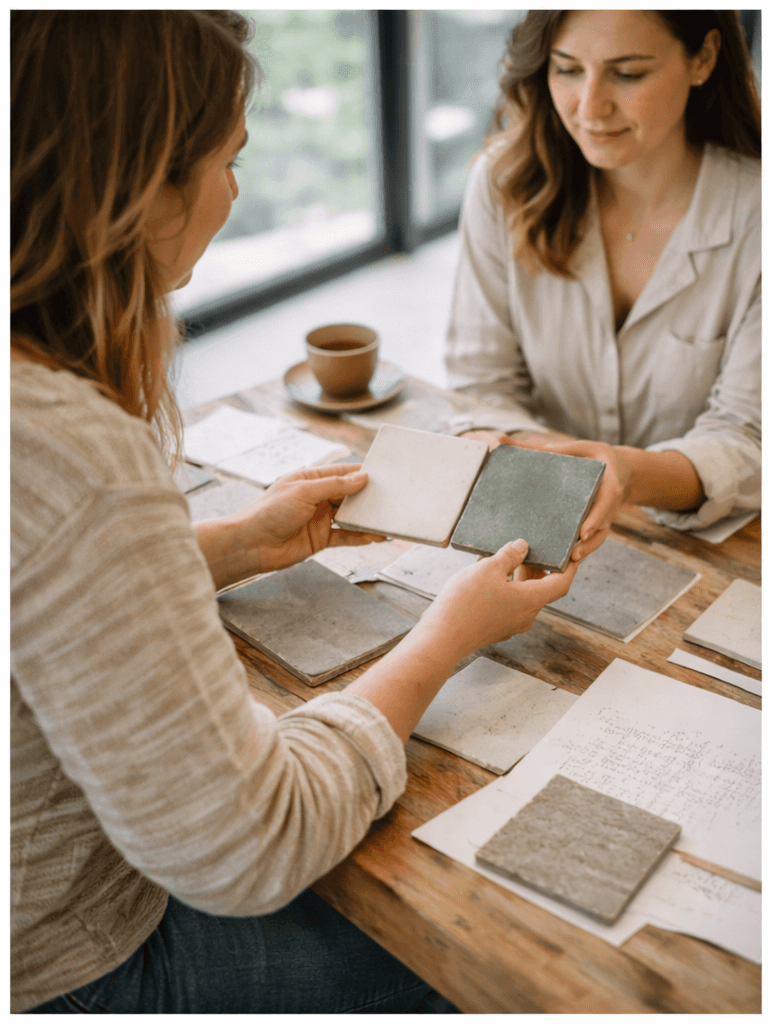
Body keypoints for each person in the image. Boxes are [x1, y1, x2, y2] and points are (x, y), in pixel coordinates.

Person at [11, 11, 578, 1013]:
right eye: (229, 159)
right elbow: (246, 843)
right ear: (142, 189)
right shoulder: (71, 448)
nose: (237, 190)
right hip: (74, 964)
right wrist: (445, 636)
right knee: (501, 969)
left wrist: (223, 547)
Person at [445, 10, 760, 561]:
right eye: (567, 69)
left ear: (703, 59)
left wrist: (628, 473)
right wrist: (529, 457)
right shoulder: (503, 183)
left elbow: (749, 440)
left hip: (708, 548)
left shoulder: (755, 217)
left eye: (628, 74)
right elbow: (482, 382)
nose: (590, 108)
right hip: (536, 526)